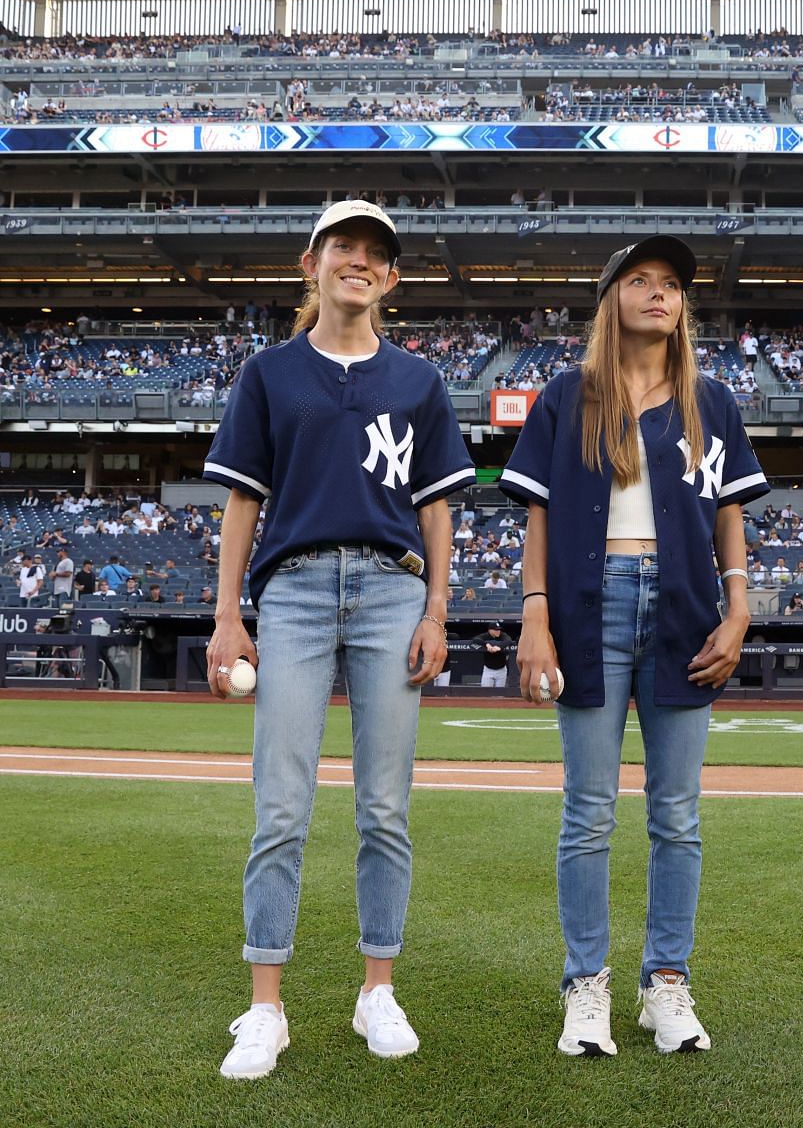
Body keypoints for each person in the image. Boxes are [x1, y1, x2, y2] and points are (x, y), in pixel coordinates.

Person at [201, 200, 476, 1079]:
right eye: (343, 247)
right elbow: (243, 499)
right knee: (281, 805)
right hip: (296, 591)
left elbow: (435, 506)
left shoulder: (418, 381)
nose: (358, 261)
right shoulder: (270, 373)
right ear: (310, 263)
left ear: (390, 278)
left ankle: (376, 990)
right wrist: (226, 614)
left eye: (374, 254)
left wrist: (437, 608)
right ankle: (265, 1007)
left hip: (396, 593)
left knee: (385, 807)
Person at [503, 234, 767, 1060]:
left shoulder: (710, 401)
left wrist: (739, 604)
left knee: (677, 816)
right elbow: (538, 514)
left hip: (686, 607)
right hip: (591, 604)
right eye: (641, 279)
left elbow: (730, 514)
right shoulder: (565, 396)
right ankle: (587, 986)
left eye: (672, 284)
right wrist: (534, 614)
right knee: (587, 813)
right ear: (612, 295)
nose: (660, 293)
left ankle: (667, 985)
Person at [477, 622, 511, 688]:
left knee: (500, 695)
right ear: (490, 630)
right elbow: (476, 639)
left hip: (501, 670)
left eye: (499, 629)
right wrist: (486, 644)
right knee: (485, 693)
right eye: (496, 630)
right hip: (488, 670)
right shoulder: (485, 636)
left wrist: (499, 647)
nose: (498, 631)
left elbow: (508, 640)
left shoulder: (502, 635)